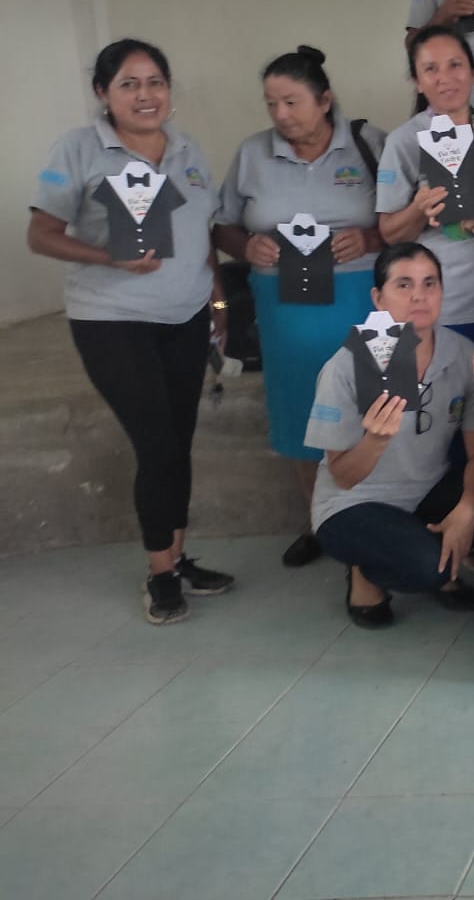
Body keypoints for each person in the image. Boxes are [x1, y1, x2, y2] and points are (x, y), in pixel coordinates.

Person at [28, 38, 234, 624]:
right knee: (157, 444)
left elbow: (203, 234)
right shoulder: (78, 149)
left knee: (179, 441)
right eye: (129, 84)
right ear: (103, 93)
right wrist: (109, 257)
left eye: (155, 82)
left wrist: (218, 299)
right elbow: (40, 235)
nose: (146, 95)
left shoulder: (188, 148)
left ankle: (178, 555)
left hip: (186, 316)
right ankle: (160, 573)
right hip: (112, 320)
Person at [215, 46, 387, 569]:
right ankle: (320, 522)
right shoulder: (252, 154)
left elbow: (410, 218)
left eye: (292, 102)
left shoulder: (369, 144)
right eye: (272, 104)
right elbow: (222, 225)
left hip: (359, 299)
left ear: (325, 99)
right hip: (285, 305)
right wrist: (247, 245)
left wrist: (370, 238)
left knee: (369, 405)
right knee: (301, 411)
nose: (281, 115)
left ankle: (376, 517)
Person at [306, 243, 474, 627]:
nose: (419, 295)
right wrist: (376, 440)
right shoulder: (347, 365)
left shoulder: (461, 354)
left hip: (426, 491)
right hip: (355, 503)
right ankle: (366, 572)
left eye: (430, 283)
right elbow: (343, 477)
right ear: (378, 298)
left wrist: (466, 510)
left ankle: (430, 554)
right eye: (404, 285)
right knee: (427, 568)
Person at [376, 25, 474, 349]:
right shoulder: (404, 142)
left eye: (455, 65)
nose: (445, 78)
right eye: (431, 69)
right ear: (417, 81)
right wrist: (418, 208)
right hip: (447, 307)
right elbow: (389, 233)